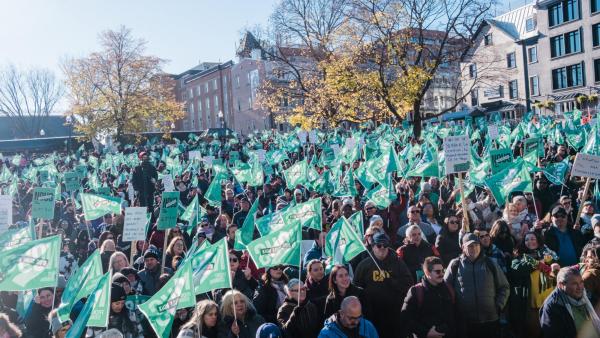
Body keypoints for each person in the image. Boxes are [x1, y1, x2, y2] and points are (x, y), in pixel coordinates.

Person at [444, 233, 510, 338]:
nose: (474, 248)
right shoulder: (455, 265)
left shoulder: (490, 263)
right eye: (470, 246)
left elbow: (504, 287)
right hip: (464, 322)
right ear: (463, 247)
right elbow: (445, 289)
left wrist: (498, 306)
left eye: (476, 245)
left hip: (490, 319)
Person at [354, 232, 412, 338]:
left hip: (394, 314)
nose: (382, 248)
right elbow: (356, 288)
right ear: (373, 247)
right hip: (372, 314)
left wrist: (393, 282)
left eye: (385, 245)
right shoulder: (364, 265)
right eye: (379, 245)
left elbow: (408, 283)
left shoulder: (398, 262)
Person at [509, 231, 559, 337]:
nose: (530, 241)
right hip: (531, 305)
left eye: (533, 239)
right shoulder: (519, 258)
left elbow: (557, 266)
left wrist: (553, 265)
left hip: (550, 301)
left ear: (538, 241)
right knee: (534, 332)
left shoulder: (547, 253)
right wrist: (536, 263)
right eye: (527, 239)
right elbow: (517, 270)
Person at [400, 256, 457, 338]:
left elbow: (458, 315)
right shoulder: (416, 291)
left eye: (442, 271)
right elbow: (405, 318)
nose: (442, 274)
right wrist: (426, 332)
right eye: (437, 272)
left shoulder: (449, 289)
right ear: (427, 272)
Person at [540, 267, 600, 338]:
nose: (580, 287)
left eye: (581, 282)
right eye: (574, 284)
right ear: (561, 285)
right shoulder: (553, 306)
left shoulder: (587, 295)